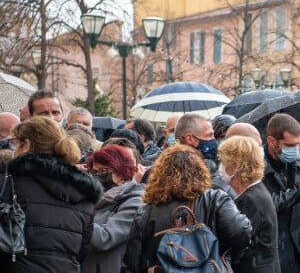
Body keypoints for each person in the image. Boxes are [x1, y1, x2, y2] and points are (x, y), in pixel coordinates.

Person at [121, 144, 252, 272]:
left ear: (159, 176)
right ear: (200, 171)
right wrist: (223, 254)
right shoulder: (216, 199)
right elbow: (241, 232)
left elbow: (133, 261)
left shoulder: (146, 211)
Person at [0, 116, 103, 272]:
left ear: (26, 145)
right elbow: (82, 251)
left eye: (15, 143)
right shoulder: (85, 192)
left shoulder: (10, 180)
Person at [218, 136, 281, 273]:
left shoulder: (250, 199)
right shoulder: (256, 192)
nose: (221, 167)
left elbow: (237, 243)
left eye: (223, 161)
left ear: (236, 165)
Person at [82, 144, 145, 273]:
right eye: (95, 172)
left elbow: (105, 238)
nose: (98, 176)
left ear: (122, 172)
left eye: (104, 171)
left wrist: (78, 215)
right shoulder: (93, 196)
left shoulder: (135, 201)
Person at [263, 113, 300, 272]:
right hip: (274, 252)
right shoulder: (257, 170)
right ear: (272, 141)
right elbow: (267, 207)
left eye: (298, 145)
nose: (295, 150)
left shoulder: (295, 165)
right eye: (289, 145)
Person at [212, 122, 263, 198]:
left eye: (260, 145)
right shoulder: (219, 189)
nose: (260, 149)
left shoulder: (252, 177)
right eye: (256, 146)